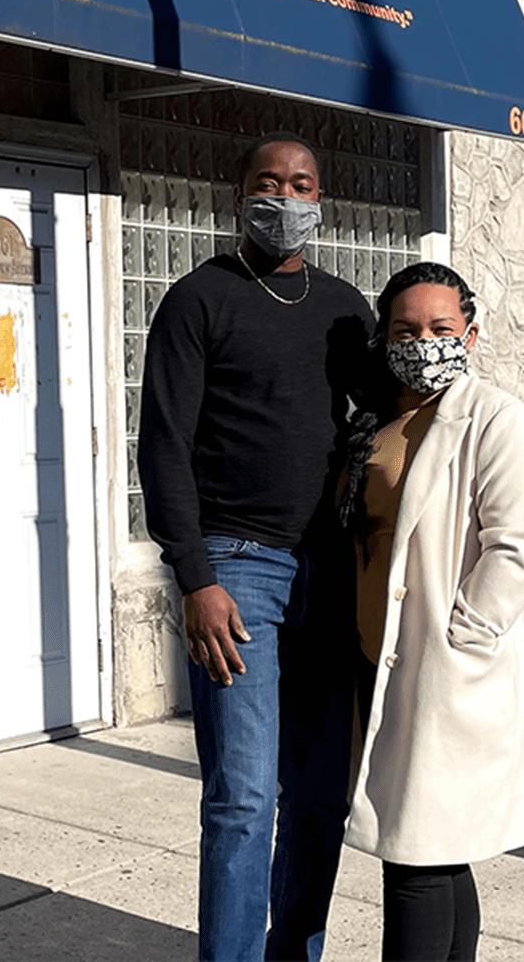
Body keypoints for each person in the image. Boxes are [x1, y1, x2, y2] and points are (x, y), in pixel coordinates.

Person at [138, 133, 373, 962]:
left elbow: (387, 420)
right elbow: (163, 446)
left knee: (317, 796)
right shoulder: (198, 300)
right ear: (239, 196)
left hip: (330, 575)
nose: (286, 198)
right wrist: (194, 575)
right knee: (241, 797)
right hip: (236, 570)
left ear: (321, 199)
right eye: (268, 183)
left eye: (301, 184)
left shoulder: (347, 307)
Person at [339, 262, 524, 962]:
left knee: (414, 853)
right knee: (439, 850)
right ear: (384, 338)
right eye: (406, 329)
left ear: (471, 331)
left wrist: (462, 635)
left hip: (446, 669)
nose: (425, 340)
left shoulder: (496, 418)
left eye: (442, 327)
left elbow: (522, 544)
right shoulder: (375, 421)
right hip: (378, 658)